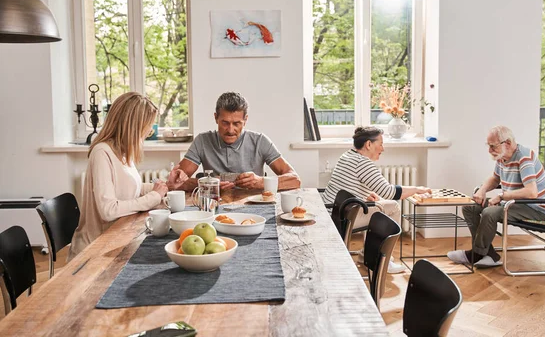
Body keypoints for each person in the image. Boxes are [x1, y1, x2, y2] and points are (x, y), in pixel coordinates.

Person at [69, 92, 169, 260]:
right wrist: (154, 197)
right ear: (133, 126)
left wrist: (164, 187)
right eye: (147, 127)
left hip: (117, 237)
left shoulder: (123, 152)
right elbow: (108, 211)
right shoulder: (102, 153)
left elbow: (129, 188)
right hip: (96, 250)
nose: (148, 133)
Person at [322, 126, 432, 273]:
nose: (383, 148)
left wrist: (364, 196)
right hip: (343, 218)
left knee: (378, 205)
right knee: (392, 207)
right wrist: (417, 189)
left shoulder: (348, 156)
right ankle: (381, 259)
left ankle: (367, 255)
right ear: (368, 144)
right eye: (380, 144)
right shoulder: (363, 163)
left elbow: (347, 186)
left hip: (333, 211)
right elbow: (390, 192)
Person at [447, 125, 545, 268]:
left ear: (507, 143)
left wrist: (502, 196)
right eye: (488, 146)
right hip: (515, 203)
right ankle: (489, 254)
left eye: (492, 146)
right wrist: (482, 190)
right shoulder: (502, 157)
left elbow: (531, 192)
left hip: (534, 207)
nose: (490, 150)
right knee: (469, 207)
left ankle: (476, 254)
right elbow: (495, 178)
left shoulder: (524, 158)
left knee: (490, 212)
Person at [168, 92, 301, 192]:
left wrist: (262, 182)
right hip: (215, 207)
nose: (230, 130)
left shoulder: (260, 141)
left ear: (245, 120)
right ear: (216, 118)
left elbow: (295, 180)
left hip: (255, 208)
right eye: (225, 123)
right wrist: (208, 184)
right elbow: (175, 182)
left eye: (237, 123)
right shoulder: (202, 141)